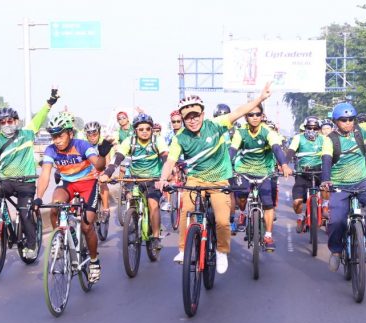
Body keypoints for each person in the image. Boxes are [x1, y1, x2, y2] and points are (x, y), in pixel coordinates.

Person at [156, 82, 273, 274]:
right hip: (195, 180)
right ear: (183, 120)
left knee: (222, 220)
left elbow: (238, 111)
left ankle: (221, 251)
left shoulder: (217, 125)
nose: (192, 120)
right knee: (186, 212)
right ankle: (183, 249)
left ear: (202, 114)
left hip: (219, 180)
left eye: (195, 115)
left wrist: (260, 98)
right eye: (187, 118)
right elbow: (170, 161)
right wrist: (162, 179)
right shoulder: (180, 137)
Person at [0, 89, 59, 259]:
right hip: (6, 181)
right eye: (3, 122)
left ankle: (31, 245)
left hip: (25, 182)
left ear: (16, 121)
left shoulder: (27, 134)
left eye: (10, 121)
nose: (7, 124)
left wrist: (49, 103)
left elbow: (40, 117)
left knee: (25, 213)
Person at [34, 111, 105, 282]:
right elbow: (45, 175)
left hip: (88, 184)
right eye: (53, 136)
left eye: (60, 135)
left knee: (87, 227)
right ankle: (59, 240)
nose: (56, 140)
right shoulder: (51, 150)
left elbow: (99, 166)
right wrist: (38, 197)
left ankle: (94, 262)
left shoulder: (82, 145)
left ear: (70, 133)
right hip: (68, 184)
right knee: (54, 207)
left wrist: (102, 155)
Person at [320, 102, 366, 272]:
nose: (348, 122)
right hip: (339, 184)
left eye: (351, 119)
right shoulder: (330, 139)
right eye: (343, 120)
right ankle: (336, 252)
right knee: (336, 220)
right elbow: (326, 160)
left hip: (362, 181)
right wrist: (326, 180)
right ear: (335, 121)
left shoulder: (361, 131)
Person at [230, 103, 292, 252]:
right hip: (243, 170)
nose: (255, 117)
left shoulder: (268, 132)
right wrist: (226, 168)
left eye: (258, 114)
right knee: (242, 198)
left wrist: (284, 165)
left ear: (262, 116)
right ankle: (244, 214)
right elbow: (232, 150)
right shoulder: (240, 132)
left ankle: (268, 235)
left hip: (264, 171)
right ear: (246, 117)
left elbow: (277, 149)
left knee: (268, 204)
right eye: (251, 115)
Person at [100, 114, 169, 248]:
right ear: (135, 130)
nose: (144, 132)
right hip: (134, 177)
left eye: (147, 129)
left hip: (153, 179)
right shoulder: (129, 141)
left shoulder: (157, 140)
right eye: (141, 129)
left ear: (152, 130)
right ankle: (132, 220)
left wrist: (167, 175)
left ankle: (155, 237)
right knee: (130, 198)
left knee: (153, 205)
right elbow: (116, 159)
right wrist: (107, 173)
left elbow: (165, 158)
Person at [287, 116, 324, 231]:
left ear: (319, 129)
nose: (312, 131)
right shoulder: (298, 138)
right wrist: (284, 165)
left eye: (315, 128)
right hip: (302, 173)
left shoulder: (324, 139)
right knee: (297, 202)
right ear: (305, 128)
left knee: (326, 187)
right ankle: (300, 217)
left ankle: (325, 207)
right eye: (309, 128)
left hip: (319, 171)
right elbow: (291, 152)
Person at [83, 121, 115, 219]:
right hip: (88, 172)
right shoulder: (84, 145)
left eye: (95, 134)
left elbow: (108, 161)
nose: (92, 137)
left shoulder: (102, 144)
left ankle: (105, 209)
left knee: (102, 183)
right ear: (86, 136)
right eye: (90, 135)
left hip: (101, 171)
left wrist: (107, 174)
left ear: (99, 133)